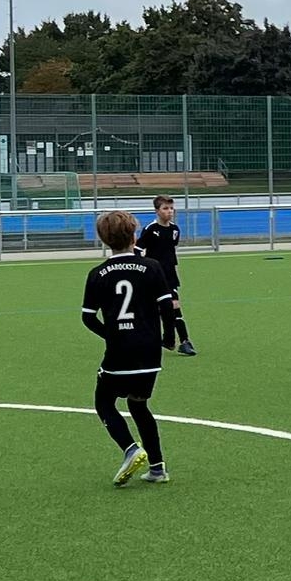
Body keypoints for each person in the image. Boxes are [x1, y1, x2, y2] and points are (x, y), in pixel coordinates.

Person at [81, 211, 179, 486]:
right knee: (138, 404)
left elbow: (88, 317)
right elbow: (166, 306)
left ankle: (130, 448)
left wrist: (111, 336)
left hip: (119, 351)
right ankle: (158, 468)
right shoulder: (152, 267)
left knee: (104, 402)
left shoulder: (97, 274)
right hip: (149, 351)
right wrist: (168, 337)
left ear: (103, 239)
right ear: (134, 236)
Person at [134, 195, 196, 357]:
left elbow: (170, 252)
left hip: (169, 276)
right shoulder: (150, 229)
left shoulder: (175, 230)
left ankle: (184, 341)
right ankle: (159, 340)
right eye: (165, 208)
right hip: (152, 275)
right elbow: (137, 250)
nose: (170, 211)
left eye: (171, 208)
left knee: (174, 306)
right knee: (151, 309)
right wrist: (143, 266)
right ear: (157, 211)